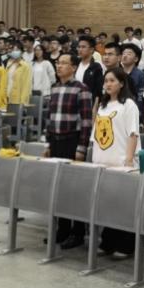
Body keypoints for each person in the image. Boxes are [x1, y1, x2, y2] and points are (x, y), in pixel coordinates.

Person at [45, 53, 93, 249]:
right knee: (59, 188)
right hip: (55, 142)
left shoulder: (82, 89)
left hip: (71, 142)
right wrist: (48, 144)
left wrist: (81, 148)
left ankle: (78, 232)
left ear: (73, 67)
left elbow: (87, 121)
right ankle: (62, 229)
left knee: (75, 189)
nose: (59, 66)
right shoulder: (54, 88)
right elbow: (49, 118)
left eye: (64, 63)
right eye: (58, 63)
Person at [91, 66, 140, 258]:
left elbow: (133, 134)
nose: (108, 84)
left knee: (124, 205)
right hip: (103, 161)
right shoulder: (103, 106)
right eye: (106, 81)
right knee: (108, 204)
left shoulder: (128, 105)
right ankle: (108, 243)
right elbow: (96, 136)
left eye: (112, 80)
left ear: (121, 83)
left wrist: (128, 160)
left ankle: (126, 246)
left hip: (122, 163)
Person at [119, 42, 144, 121]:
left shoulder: (141, 75)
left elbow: (141, 98)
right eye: (123, 53)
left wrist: (139, 116)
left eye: (129, 54)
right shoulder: (117, 73)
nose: (125, 56)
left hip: (133, 113)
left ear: (136, 59)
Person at [3, 40, 33, 107]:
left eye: (17, 50)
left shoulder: (26, 66)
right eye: (13, 50)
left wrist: (23, 102)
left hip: (18, 99)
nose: (14, 52)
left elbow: (26, 86)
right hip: (7, 96)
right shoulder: (9, 64)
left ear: (21, 52)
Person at [76, 34, 104, 104]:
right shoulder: (74, 65)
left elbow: (98, 91)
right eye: (79, 47)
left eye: (83, 47)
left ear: (91, 49)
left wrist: (95, 106)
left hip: (88, 103)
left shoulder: (96, 67)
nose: (80, 49)